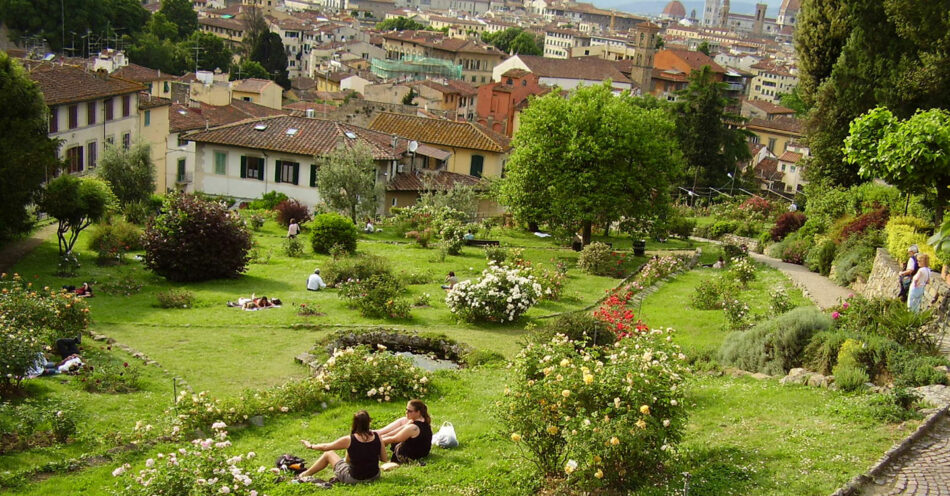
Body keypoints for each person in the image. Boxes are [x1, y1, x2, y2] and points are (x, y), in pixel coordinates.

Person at [299, 410, 387, 484]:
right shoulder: (377, 436)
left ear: (354, 423)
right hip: (374, 476)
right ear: (369, 421)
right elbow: (384, 459)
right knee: (348, 455)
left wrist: (310, 446)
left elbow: (326, 447)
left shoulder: (349, 439)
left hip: (354, 479)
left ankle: (304, 475)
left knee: (328, 454)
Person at [378, 399, 433, 464]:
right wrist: (381, 436)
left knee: (387, 442)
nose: (406, 412)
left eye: (409, 411)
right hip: (423, 451)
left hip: (415, 453)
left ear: (418, 412)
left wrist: (376, 442)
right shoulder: (421, 420)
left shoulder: (413, 427)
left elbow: (394, 439)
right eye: (406, 409)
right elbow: (397, 431)